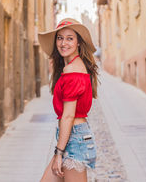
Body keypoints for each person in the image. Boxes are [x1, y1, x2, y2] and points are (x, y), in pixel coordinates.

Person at [39, 18, 99, 182]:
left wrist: (58, 153)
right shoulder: (73, 67)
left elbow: (68, 116)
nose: (63, 43)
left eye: (70, 38)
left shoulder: (73, 70)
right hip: (70, 139)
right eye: (60, 38)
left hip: (75, 140)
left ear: (79, 42)